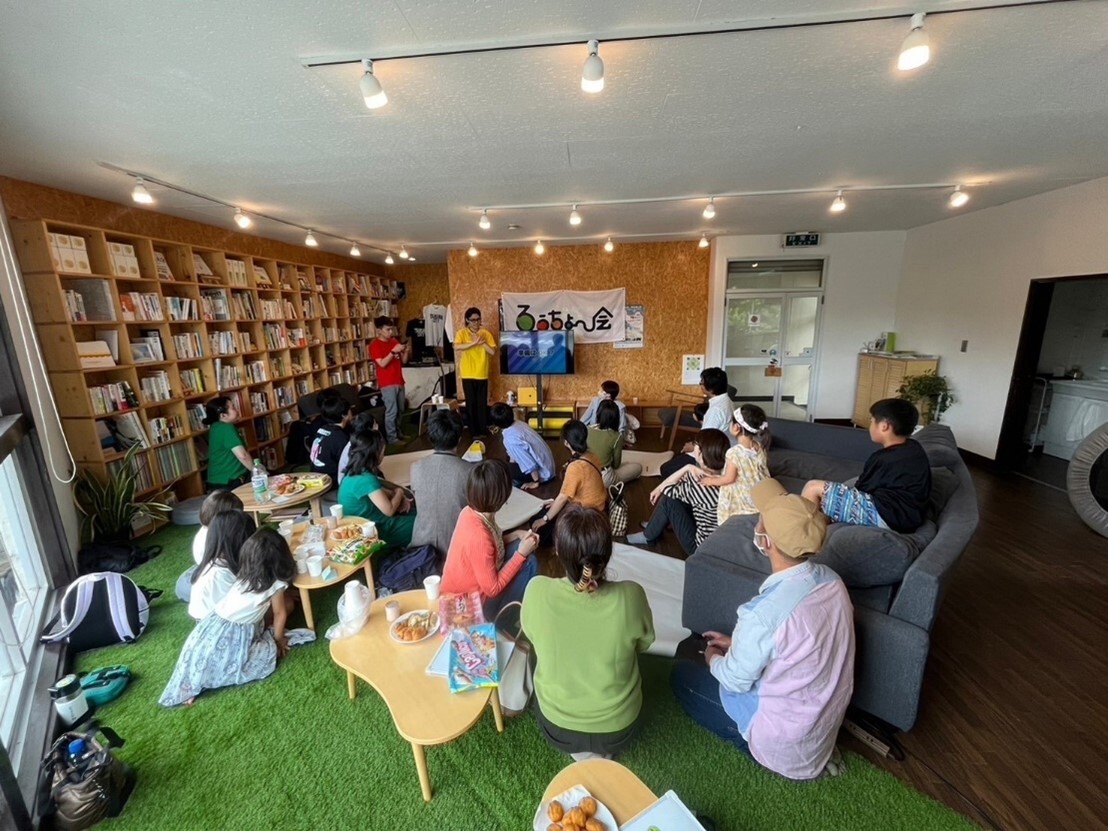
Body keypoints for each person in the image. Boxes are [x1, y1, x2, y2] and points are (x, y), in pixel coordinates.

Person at [670, 478, 855, 780]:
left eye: (762, 520)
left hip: (782, 742)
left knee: (682, 677)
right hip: (820, 729)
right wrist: (736, 641)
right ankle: (814, 757)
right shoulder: (833, 582)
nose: (758, 522)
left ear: (765, 541)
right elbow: (799, 646)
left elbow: (735, 680)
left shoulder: (763, 615)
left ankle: (762, 755)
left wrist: (714, 658)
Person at [522, 505, 655, 761]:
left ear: (558, 550)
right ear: (608, 552)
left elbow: (532, 635)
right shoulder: (631, 595)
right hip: (619, 729)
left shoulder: (536, 590)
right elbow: (645, 644)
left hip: (558, 728)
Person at [160, 527, 296, 707]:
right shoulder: (275, 584)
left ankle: (193, 683)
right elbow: (280, 613)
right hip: (233, 635)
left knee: (202, 656)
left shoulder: (244, 576)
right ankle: (199, 683)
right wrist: (278, 641)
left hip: (210, 627)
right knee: (265, 657)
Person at [801, 398, 932, 533]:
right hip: (907, 516)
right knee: (824, 502)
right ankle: (816, 529)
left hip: (888, 516)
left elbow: (862, 489)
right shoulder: (914, 448)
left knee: (812, 488)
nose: (871, 426)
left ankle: (800, 538)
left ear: (884, 426)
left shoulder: (884, 458)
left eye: (872, 421)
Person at [441, 460, 540, 620]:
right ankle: (502, 624)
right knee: (529, 562)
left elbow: (490, 547)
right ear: (502, 495)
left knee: (519, 548)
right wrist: (521, 553)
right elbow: (492, 589)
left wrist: (514, 535)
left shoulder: (469, 512)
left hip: (457, 591)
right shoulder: (479, 536)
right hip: (468, 606)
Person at [627, 428, 730, 556]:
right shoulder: (728, 476)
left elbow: (665, 489)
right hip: (721, 543)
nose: (694, 446)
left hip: (701, 549)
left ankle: (648, 535)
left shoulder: (700, 483)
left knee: (669, 500)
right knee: (676, 497)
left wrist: (687, 468)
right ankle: (655, 525)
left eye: (696, 444)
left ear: (702, 453)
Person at [338, 428, 416, 549]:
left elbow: (384, 493)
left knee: (416, 513)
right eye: (382, 451)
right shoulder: (366, 479)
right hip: (375, 532)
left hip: (364, 525)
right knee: (425, 523)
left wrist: (398, 496)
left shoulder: (353, 474)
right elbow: (389, 511)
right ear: (374, 454)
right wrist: (400, 492)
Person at [531, 420, 606, 546]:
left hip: (585, 514)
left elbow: (562, 498)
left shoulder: (576, 467)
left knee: (538, 524)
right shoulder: (593, 456)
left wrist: (545, 519)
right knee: (547, 510)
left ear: (566, 442)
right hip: (600, 507)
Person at [693, 404, 771, 526]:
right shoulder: (759, 446)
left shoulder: (734, 453)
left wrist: (710, 481)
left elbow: (729, 478)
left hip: (745, 495)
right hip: (759, 489)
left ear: (736, 427)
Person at [410, 410, 472, 556]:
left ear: (430, 437)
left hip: (420, 548)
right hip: (457, 548)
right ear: (459, 437)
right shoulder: (469, 470)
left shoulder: (416, 467)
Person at [659, 367, 736, 479]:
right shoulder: (727, 401)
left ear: (711, 388)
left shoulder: (716, 411)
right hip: (719, 446)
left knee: (666, 470)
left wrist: (692, 446)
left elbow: (706, 439)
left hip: (711, 453)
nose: (700, 385)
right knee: (677, 459)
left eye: (701, 382)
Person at [174, 490, 244, 603]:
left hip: (208, 568)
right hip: (214, 572)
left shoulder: (221, 531)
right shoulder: (212, 540)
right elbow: (228, 571)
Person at [187, 510, 257, 621]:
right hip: (220, 626)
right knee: (285, 604)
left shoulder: (220, 561)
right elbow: (244, 608)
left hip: (224, 616)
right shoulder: (219, 574)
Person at [489, 402, 555, 490]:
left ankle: (526, 481)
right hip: (548, 466)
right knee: (509, 462)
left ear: (495, 423)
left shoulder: (510, 440)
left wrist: (536, 482)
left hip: (542, 473)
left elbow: (530, 464)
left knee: (497, 468)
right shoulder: (518, 423)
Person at [453, 307, 496, 438]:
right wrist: (473, 343)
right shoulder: (462, 333)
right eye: (473, 320)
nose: (476, 322)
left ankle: (482, 430)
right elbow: (456, 347)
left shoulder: (485, 333)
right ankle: (473, 431)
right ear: (467, 320)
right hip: (467, 373)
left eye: (478, 319)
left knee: (481, 403)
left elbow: (492, 352)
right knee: (470, 403)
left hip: (481, 372)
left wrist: (481, 343)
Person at [369, 316, 410, 444]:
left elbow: (403, 361)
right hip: (387, 383)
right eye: (388, 329)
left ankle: (398, 433)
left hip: (399, 380)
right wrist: (393, 352)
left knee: (401, 409)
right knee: (392, 410)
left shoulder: (394, 342)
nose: (391, 332)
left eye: (391, 329)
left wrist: (406, 351)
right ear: (379, 330)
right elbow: (382, 364)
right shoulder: (374, 345)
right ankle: (392, 438)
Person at [202, 396, 253, 491]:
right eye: (233, 408)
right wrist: (257, 472)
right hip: (229, 482)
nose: (237, 410)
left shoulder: (215, 427)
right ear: (223, 415)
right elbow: (243, 456)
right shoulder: (226, 428)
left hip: (217, 482)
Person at [587, 400, 642, 486]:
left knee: (625, 464)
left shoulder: (587, 429)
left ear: (598, 414)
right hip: (604, 478)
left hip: (585, 474)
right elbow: (616, 465)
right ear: (616, 418)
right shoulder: (616, 436)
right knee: (638, 467)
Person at [309, 389, 352, 488]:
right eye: (350, 410)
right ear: (344, 415)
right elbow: (349, 463)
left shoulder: (322, 430)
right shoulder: (340, 437)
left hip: (316, 477)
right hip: (331, 481)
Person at [337, 409, 380, 484]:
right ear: (369, 429)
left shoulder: (357, 441)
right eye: (375, 425)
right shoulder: (363, 446)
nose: (377, 427)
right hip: (353, 482)